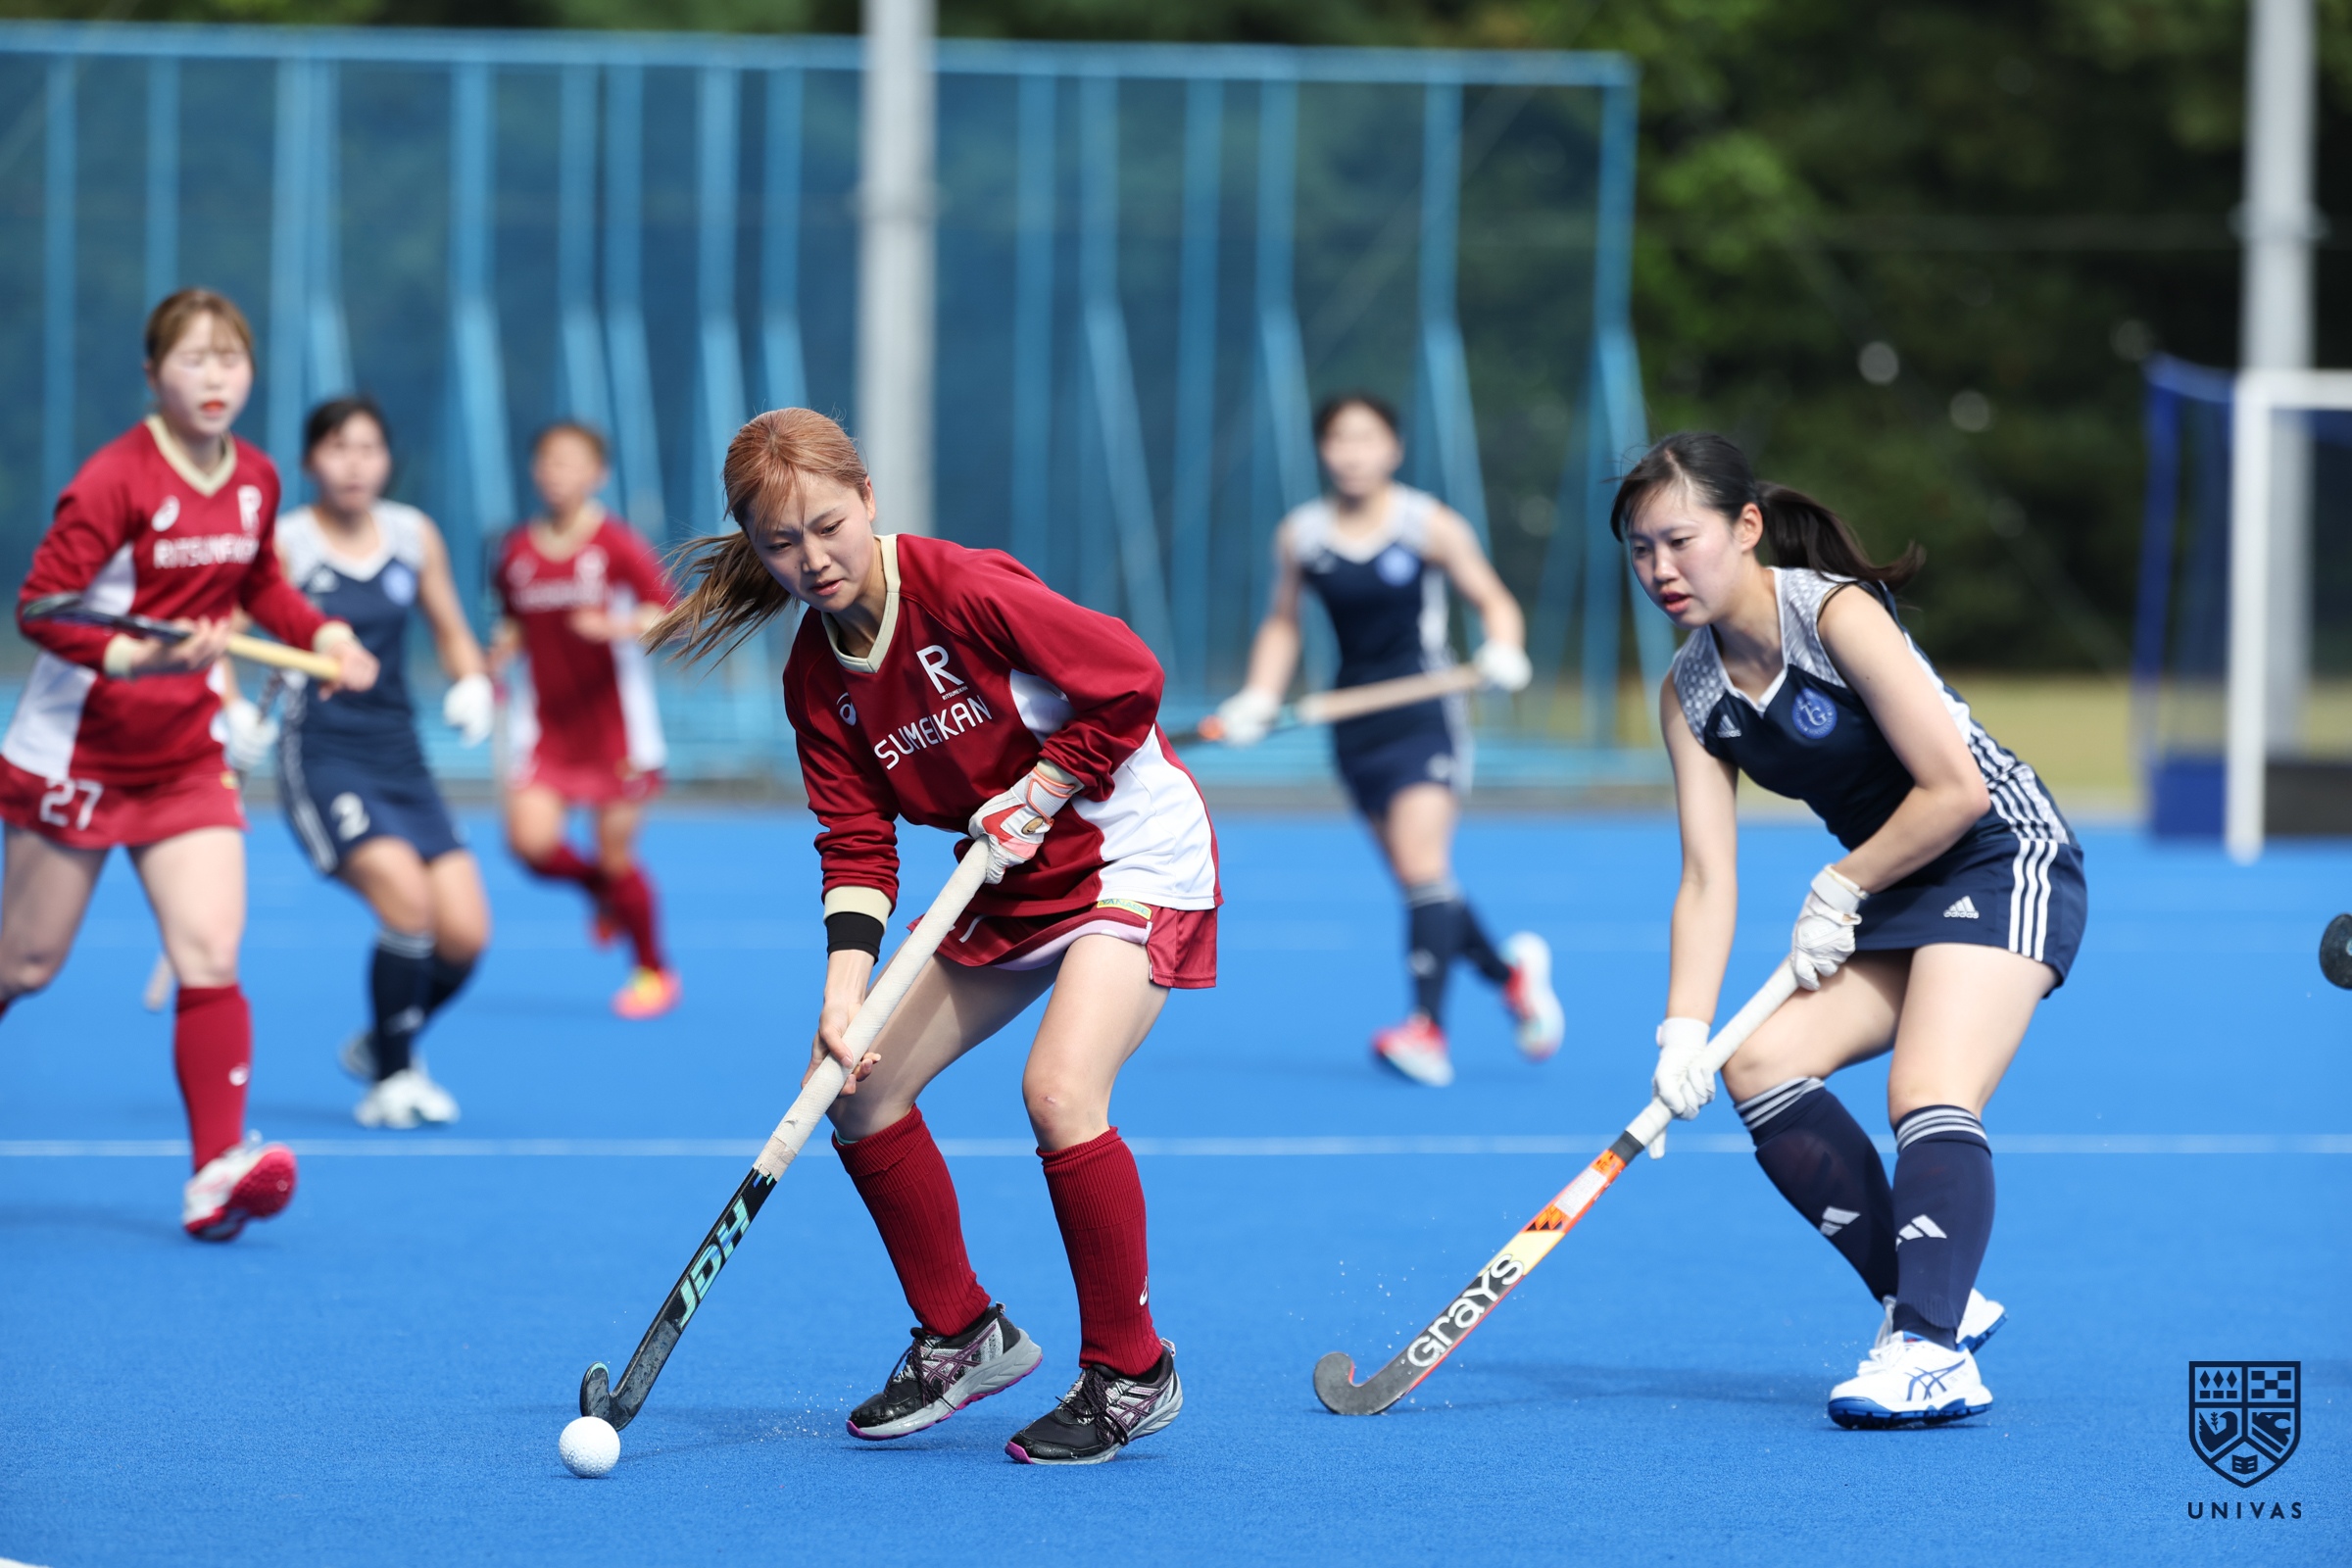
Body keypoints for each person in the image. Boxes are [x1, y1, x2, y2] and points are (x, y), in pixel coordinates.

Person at [652, 407, 1217, 1466]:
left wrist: (1045, 785)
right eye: (782, 543)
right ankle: (965, 1335)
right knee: (857, 1089)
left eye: (829, 526)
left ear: (868, 498)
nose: (813, 560)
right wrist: (843, 993)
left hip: (1127, 848)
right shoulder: (816, 680)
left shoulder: (961, 588)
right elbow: (857, 843)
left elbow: (1130, 678)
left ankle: (1133, 1371)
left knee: (1059, 1092)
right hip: (1006, 876)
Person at [1621, 431, 2085, 1429]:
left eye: (1681, 540)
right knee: (1760, 1065)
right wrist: (1682, 1033)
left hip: (2000, 853)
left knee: (1926, 1087)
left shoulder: (1833, 613)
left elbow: (1956, 791)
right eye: (1641, 550)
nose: (1661, 569)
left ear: (1747, 527)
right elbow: (1706, 876)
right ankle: (1930, 1296)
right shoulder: (1691, 693)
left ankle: (1930, 1352)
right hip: (1893, 882)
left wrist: (1839, 885)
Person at [0, 288, 378, 1239]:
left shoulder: (255, 477)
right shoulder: (113, 480)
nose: (215, 378)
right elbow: (42, 606)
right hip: (80, 751)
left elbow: (261, 585)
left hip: (183, 756)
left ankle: (214, 1175)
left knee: (209, 950)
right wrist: (137, 655)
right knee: (26, 963)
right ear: (153, 374)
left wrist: (324, 632)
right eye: (194, 359)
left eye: (231, 359)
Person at [1214, 393, 1562, 1087]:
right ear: (1322, 450)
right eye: (1339, 439)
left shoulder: (1426, 524)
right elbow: (1283, 622)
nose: (1353, 453)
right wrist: (1259, 695)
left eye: (1367, 438)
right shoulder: (1302, 535)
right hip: (1353, 721)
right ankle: (1511, 978)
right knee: (1417, 879)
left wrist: (1503, 647)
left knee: (1423, 866)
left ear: (1394, 449)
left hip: (1424, 711)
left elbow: (1493, 601)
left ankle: (1426, 1032)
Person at [261, 395, 493, 1128]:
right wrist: (229, 707)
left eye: (368, 449)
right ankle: (392, 1079)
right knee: (405, 901)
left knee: (464, 935)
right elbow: (232, 628)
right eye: (338, 449)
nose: (354, 465)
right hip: (322, 753)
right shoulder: (288, 544)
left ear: (387, 459)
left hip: (400, 753)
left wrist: (471, 681)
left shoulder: (412, 535)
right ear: (311, 461)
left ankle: (383, 1042)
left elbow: (450, 628)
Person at [491, 422, 678, 1019]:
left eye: (571, 462)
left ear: (597, 474)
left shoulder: (616, 544)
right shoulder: (515, 551)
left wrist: (616, 626)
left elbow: (672, 615)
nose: (557, 473)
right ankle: (601, 890)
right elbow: (513, 622)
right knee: (529, 844)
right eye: (548, 461)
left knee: (617, 853)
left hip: (616, 730)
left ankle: (653, 970)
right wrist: (495, 655)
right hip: (546, 728)